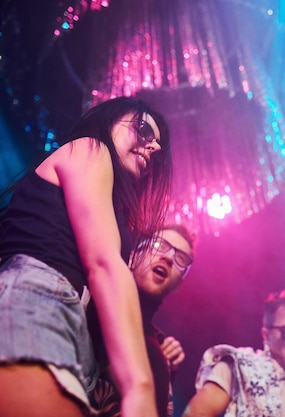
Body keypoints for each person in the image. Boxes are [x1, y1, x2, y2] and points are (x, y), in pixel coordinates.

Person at [0, 97, 172, 417]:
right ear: (109, 121)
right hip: (38, 300)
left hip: (67, 327)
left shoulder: (111, 208)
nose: (155, 148)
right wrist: (140, 388)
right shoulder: (91, 148)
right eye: (144, 129)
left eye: (158, 144)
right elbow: (104, 265)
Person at [92, 224, 196, 417]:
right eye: (159, 245)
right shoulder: (93, 304)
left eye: (180, 258)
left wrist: (167, 372)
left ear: (178, 283)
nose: (168, 258)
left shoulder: (159, 347)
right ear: (133, 256)